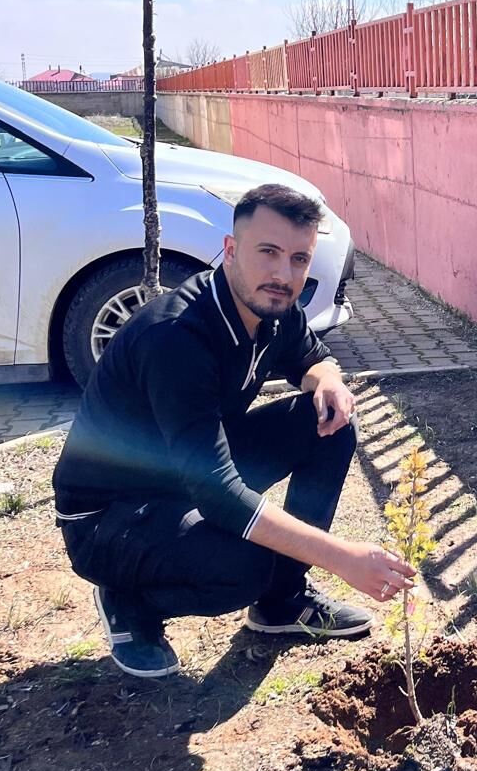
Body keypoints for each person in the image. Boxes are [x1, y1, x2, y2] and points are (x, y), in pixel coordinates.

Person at [53, 182, 414, 679]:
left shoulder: (270, 307)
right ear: (230, 250)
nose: (282, 274)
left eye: (298, 258)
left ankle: (281, 605)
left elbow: (310, 356)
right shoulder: (177, 337)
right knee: (244, 567)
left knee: (328, 423)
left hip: (181, 473)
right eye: (268, 252)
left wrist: (328, 381)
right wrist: (343, 559)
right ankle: (131, 601)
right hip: (111, 517)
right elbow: (220, 495)